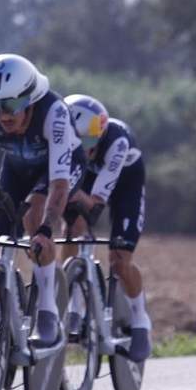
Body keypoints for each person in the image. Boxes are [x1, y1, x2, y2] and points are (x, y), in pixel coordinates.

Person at [0, 53, 84, 352]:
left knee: (34, 215)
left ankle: (47, 311)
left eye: (12, 105)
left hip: (60, 168)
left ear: (31, 98)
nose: (3, 115)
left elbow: (59, 182)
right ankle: (5, 327)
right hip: (17, 169)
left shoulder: (53, 113)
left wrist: (48, 228)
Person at [62, 94, 153, 360]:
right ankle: (74, 305)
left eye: (88, 142)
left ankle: (140, 322)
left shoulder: (117, 143)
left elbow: (96, 204)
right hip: (90, 176)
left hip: (126, 183)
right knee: (71, 230)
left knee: (120, 258)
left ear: (99, 136)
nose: (81, 149)